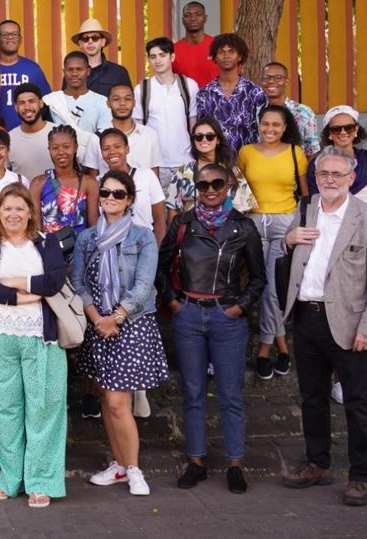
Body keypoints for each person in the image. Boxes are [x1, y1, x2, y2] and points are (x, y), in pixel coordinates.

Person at [279, 146, 367, 507]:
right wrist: (287, 240)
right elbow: (290, 256)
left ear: (351, 178)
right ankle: (317, 463)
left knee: (357, 402)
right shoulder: (305, 208)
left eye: (336, 174)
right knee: (312, 398)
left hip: (348, 321)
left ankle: (360, 476)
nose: (329, 180)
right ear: (316, 177)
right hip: (306, 317)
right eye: (323, 174)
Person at [158, 163, 265, 494]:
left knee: (231, 393)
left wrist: (240, 305)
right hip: (188, 314)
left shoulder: (243, 227)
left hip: (226, 317)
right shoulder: (183, 224)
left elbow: (259, 276)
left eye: (217, 183)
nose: (210, 190)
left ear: (228, 185)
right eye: (203, 185)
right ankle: (196, 461)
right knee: (192, 392)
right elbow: (160, 268)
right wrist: (173, 300)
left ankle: (235, 463)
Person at [0, 183, 69, 508]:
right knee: (4, 410)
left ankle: (41, 481)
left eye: (19, 208)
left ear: (30, 211)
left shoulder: (46, 242)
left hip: (42, 337)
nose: (13, 214)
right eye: (7, 208)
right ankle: (10, 477)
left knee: (44, 407)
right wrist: (25, 296)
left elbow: (54, 282)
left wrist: (13, 283)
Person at [71, 170, 167, 497]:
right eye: (106, 193)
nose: (111, 199)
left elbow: (143, 285)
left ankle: (135, 469)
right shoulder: (86, 239)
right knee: (106, 399)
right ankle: (119, 466)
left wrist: (117, 316)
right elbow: (79, 284)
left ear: (129, 200)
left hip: (130, 324)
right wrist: (97, 318)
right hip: (98, 326)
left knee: (116, 401)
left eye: (118, 194)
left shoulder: (142, 237)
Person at [238, 104, 309, 381]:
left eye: (276, 125)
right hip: (254, 223)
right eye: (265, 124)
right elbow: (240, 191)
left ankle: (264, 350)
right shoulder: (246, 152)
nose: (270, 129)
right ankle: (282, 344)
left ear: (285, 127)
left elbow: (305, 194)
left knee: (273, 288)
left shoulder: (295, 152)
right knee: (264, 285)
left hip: (285, 224)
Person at [308, 105, 367, 242]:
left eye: (349, 127)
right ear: (328, 133)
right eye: (336, 129)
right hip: (331, 232)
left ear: (356, 129)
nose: (343, 132)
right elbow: (314, 199)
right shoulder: (317, 164)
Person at [134, 37, 199, 189]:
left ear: (172, 57)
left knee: (187, 209)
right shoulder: (142, 89)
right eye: (153, 56)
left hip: (186, 161)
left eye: (162, 55)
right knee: (158, 211)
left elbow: (193, 122)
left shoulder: (189, 85)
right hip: (155, 164)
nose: (158, 60)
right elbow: (138, 128)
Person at [165, 116, 258, 219]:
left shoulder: (231, 170)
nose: (204, 140)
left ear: (217, 140)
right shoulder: (182, 172)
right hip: (192, 232)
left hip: (226, 232)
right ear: (194, 141)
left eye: (209, 136)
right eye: (199, 137)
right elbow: (173, 210)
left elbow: (242, 209)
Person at [11, 83, 102, 179]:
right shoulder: (9, 139)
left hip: (62, 193)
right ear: (16, 107)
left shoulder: (60, 133)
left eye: (31, 101)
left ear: (41, 103)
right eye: (22, 103)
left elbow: (87, 163)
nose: (27, 107)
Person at [194, 32, 265, 152]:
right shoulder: (204, 94)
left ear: (240, 56)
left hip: (247, 161)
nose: (226, 56)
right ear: (214, 57)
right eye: (221, 52)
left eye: (231, 52)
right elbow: (201, 132)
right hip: (215, 162)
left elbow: (263, 130)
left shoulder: (255, 92)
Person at [30, 125, 99, 238]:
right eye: (55, 148)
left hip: (81, 251)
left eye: (66, 147)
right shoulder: (38, 183)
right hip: (49, 251)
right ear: (49, 149)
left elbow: (93, 228)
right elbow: (36, 230)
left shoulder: (88, 183)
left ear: (75, 147)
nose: (61, 152)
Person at [99, 128, 166, 244]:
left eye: (117, 146)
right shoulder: (98, 182)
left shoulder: (146, 175)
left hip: (145, 245)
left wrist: (158, 251)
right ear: (101, 153)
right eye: (106, 148)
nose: (112, 151)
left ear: (127, 149)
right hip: (112, 247)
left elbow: (160, 219)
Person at [0, 18, 52, 130]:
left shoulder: (33, 68)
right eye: (4, 34)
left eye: (14, 34)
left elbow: (47, 103)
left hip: (28, 134)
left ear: (20, 39)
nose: (10, 37)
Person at [260, 61, 320, 158]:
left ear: (286, 82)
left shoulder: (303, 112)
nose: (271, 81)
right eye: (267, 77)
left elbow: (312, 152)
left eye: (278, 78)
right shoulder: (256, 111)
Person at [43, 51, 113, 134]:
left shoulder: (102, 102)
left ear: (88, 71)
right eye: (70, 69)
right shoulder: (50, 101)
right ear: (64, 72)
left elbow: (104, 135)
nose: (74, 74)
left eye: (79, 69)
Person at [108, 84, 162, 177]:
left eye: (128, 99)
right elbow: (94, 178)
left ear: (134, 103)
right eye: (116, 99)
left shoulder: (149, 135)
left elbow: (154, 175)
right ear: (108, 103)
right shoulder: (98, 137)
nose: (122, 103)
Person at [73, 18, 131, 98]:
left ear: (103, 42)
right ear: (80, 43)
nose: (90, 41)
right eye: (85, 38)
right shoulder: (72, 73)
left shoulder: (119, 73)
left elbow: (127, 104)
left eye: (95, 38)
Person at [172, 2, 219, 88]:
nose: (193, 18)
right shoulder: (173, 51)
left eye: (198, 14)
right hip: (186, 101)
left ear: (205, 18)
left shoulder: (219, 46)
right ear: (182, 20)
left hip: (215, 100)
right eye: (188, 15)